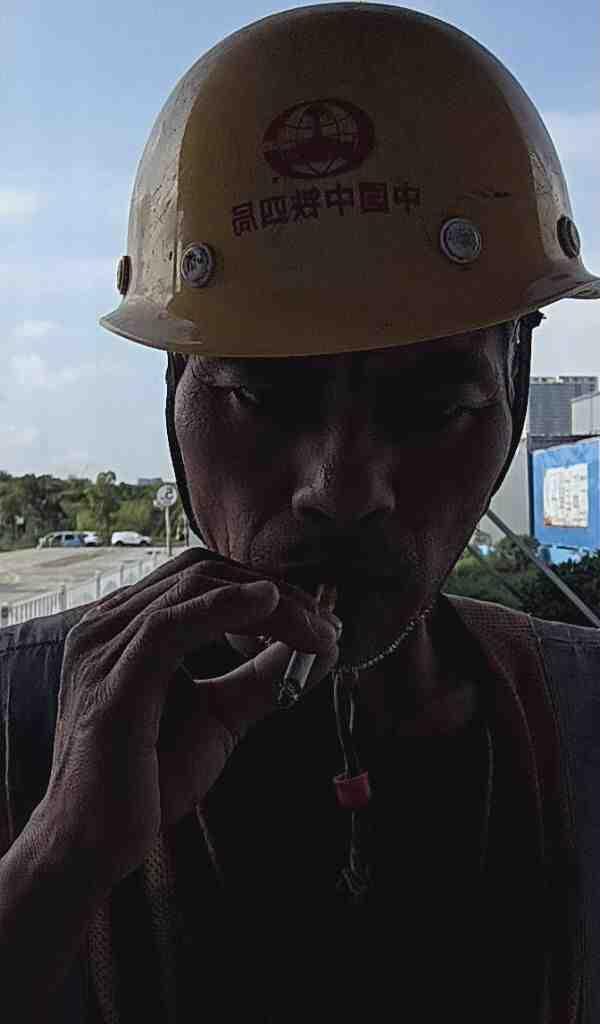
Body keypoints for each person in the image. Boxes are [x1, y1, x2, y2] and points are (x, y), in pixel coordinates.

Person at [1, 5, 599, 1022]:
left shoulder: (586, 721)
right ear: (176, 390)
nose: (345, 487)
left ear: (513, 394)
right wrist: (57, 857)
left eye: (434, 407)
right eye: (262, 397)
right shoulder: (17, 719)